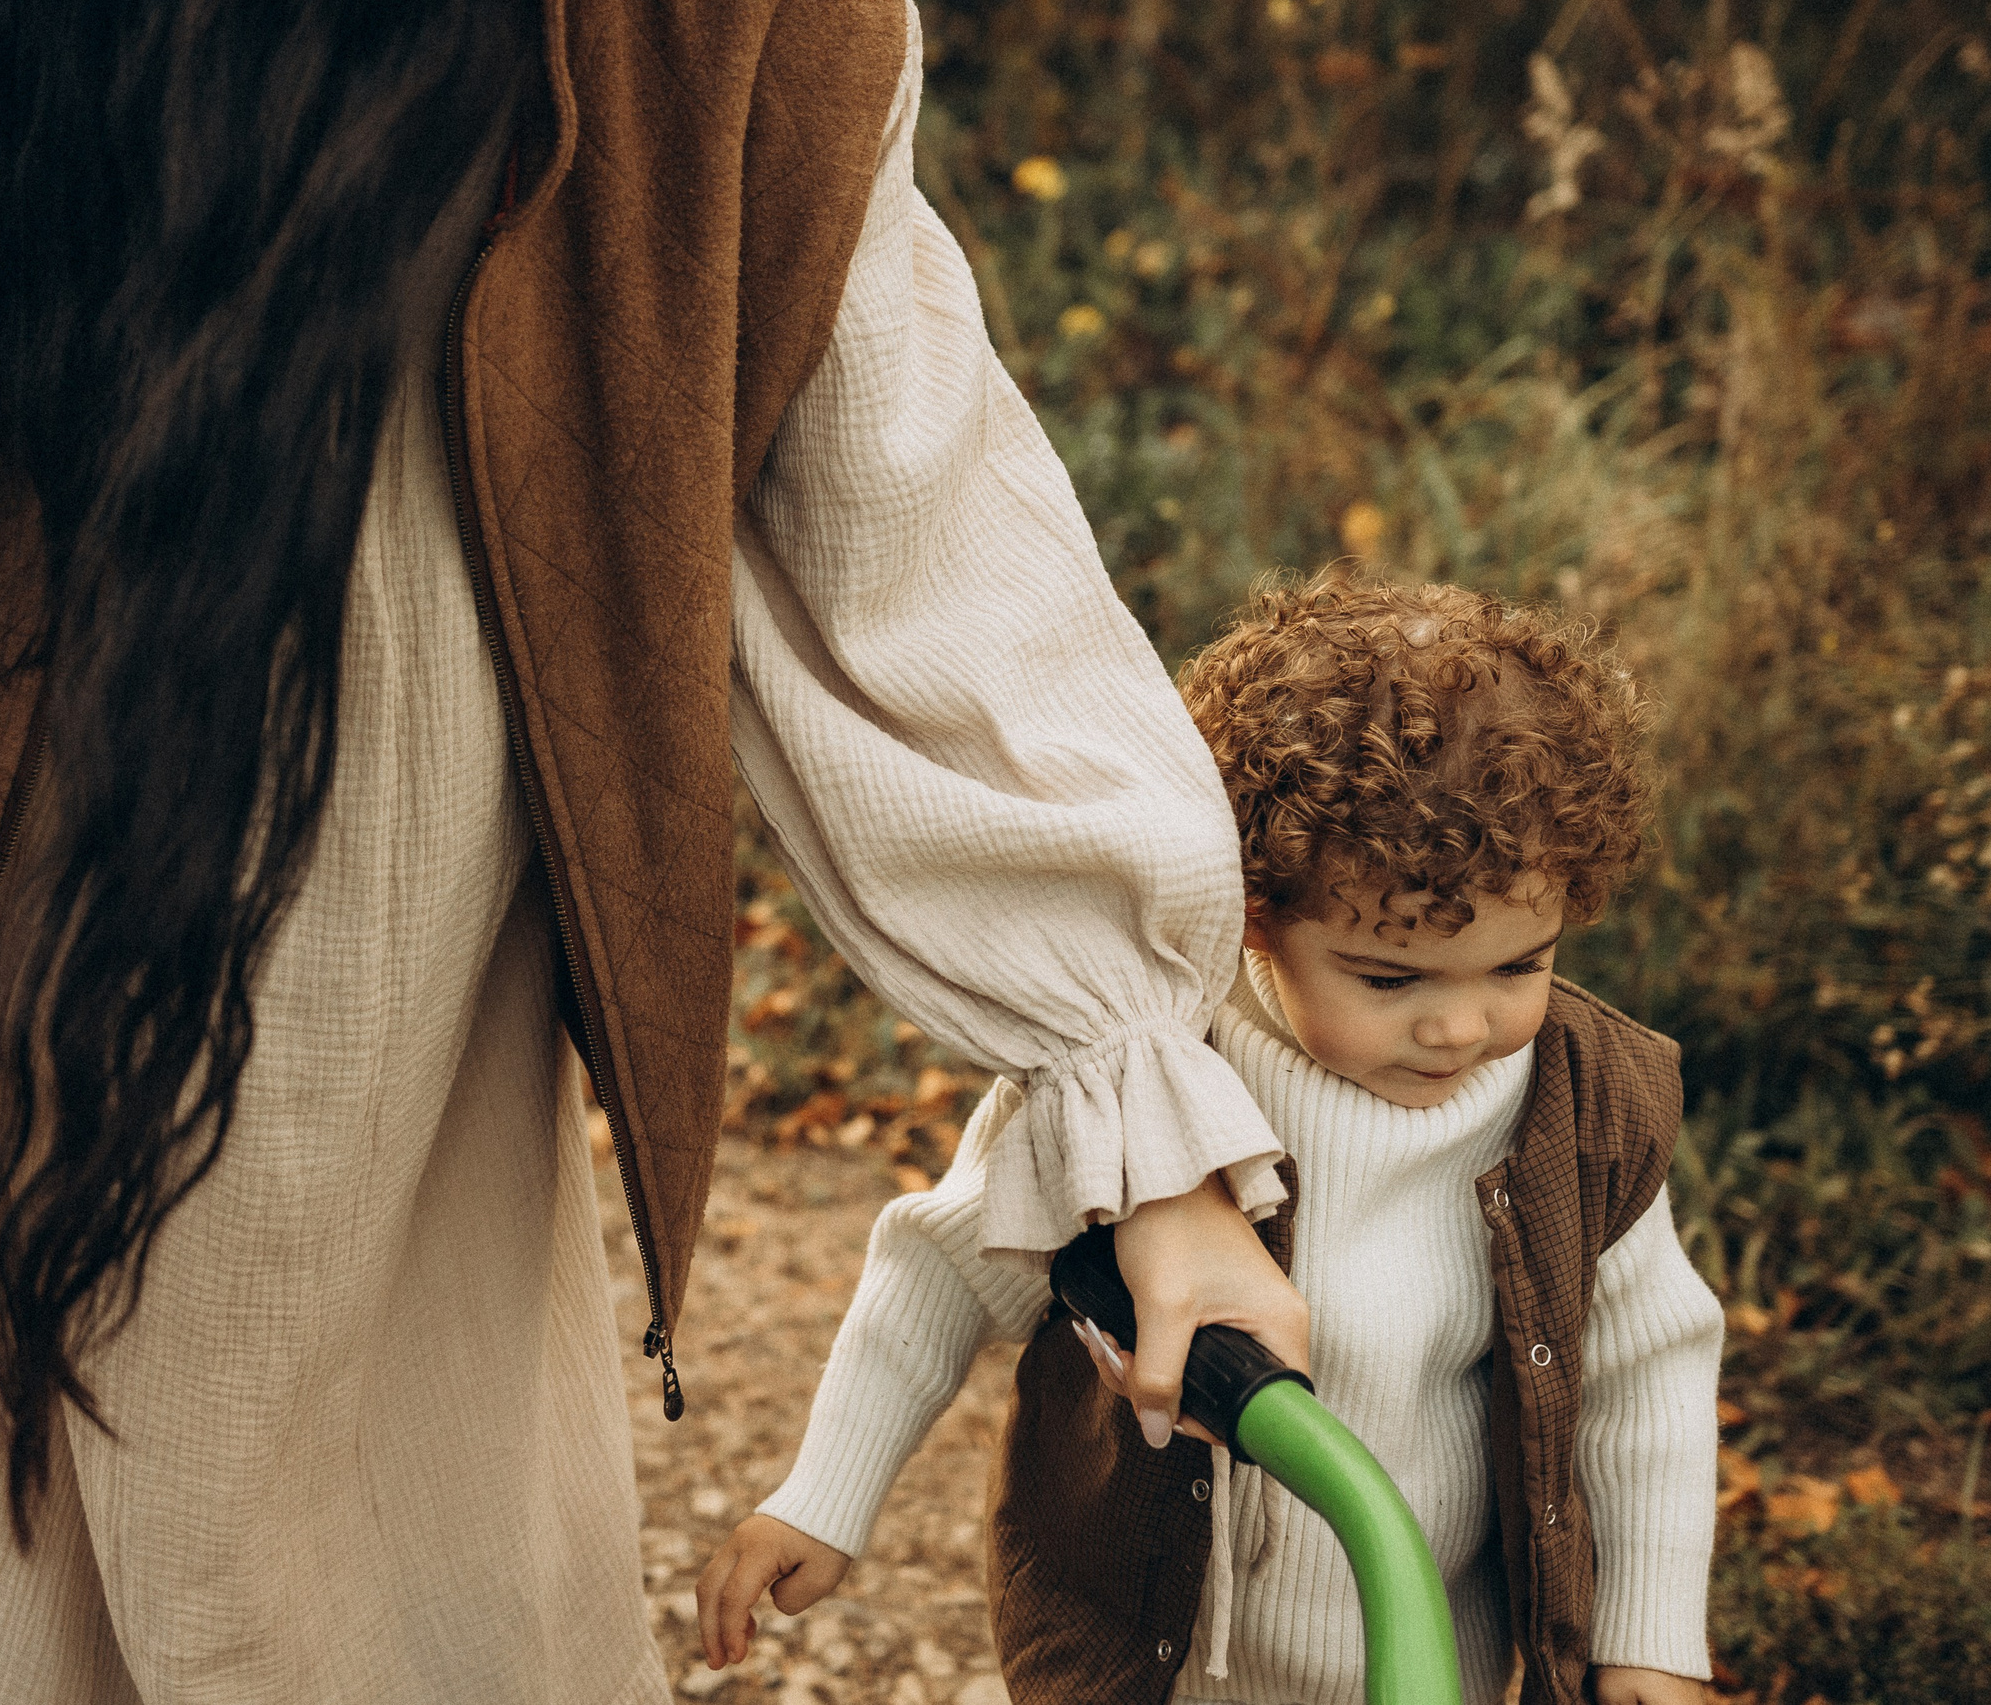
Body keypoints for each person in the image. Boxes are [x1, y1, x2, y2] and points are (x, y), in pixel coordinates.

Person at [0, 0, 1316, 1701]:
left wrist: (1138, 1130)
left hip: (407, 1107)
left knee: (392, 1586)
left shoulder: (726, 35)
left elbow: (911, 531)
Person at [696, 578, 1725, 1705]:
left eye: (1519, 965)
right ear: (1252, 912)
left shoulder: (1582, 1110)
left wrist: (1650, 1633)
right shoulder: (1132, 1070)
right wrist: (824, 1497)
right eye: (1390, 979)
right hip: (1166, 1662)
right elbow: (942, 1269)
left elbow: (1647, 1373)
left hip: (1435, 1656)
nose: (1460, 1026)